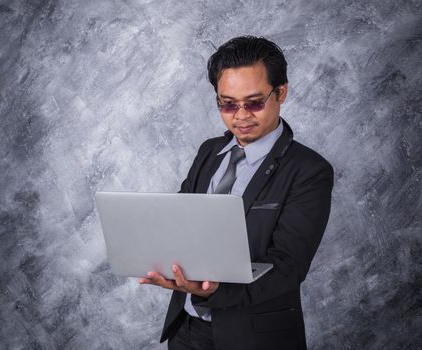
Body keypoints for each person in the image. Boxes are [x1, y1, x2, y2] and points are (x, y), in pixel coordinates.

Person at [139, 35, 334, 350]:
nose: (240, 115)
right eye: (227, 103)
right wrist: (159, 255)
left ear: (280, 92)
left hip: (254, 338)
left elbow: (287, 267)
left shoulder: (309, 170)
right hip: (187, 331)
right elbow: (178, 219)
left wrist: (213, 291)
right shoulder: (209, 151)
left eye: (254, 102)